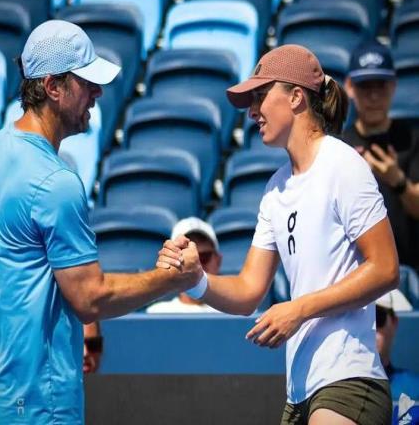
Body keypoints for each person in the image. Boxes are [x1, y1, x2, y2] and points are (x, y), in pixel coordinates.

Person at [0, 20, 202, 425]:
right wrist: (173, 279)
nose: (98, 92)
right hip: (43, 409)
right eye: (86, 82)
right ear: (53, 87)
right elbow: (91, 298)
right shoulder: (56, 182)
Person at [158, 44, 400, 425]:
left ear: (296, 97)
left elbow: (386, 269)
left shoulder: (342, 164)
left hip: (349, 381)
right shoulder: (275, 189)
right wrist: (197, 279)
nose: (252, 111)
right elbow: (248, 291)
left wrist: (298, 309)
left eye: (260, 96)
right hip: (300, 392)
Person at [342, 40, 419, 271]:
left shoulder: (412, 139)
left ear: (393, 86)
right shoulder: (340, 147)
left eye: (381, 86)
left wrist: (398, 181)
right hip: (357, 272)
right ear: (350, 87)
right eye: (365, 86)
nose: (374, 96)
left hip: (410, 271)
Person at [147, 217, 222, 313]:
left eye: (204, 257)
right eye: (186, 258)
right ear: (171, 261)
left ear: (218, 261)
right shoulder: (157, 313)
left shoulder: (233, 313)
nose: (196, 266)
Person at [375, 290, 419, 401]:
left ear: (394, 322)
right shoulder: (332, 388)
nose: (370, 328)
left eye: (378, 317)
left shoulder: (415, 390)